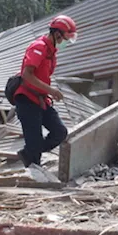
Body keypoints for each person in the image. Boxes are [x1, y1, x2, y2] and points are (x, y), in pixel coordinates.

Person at [14, 15, 77, 176]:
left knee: (60, 132)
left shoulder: (51, 51)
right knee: (34, 145)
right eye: (64, 38)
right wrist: (52, 91)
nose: (65, 42)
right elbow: (27, 75)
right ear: (57, 35)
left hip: (41, 100)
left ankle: (29, 153)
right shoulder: (39, 47)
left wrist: (48, 93)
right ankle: (33, 169)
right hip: (27, 100)